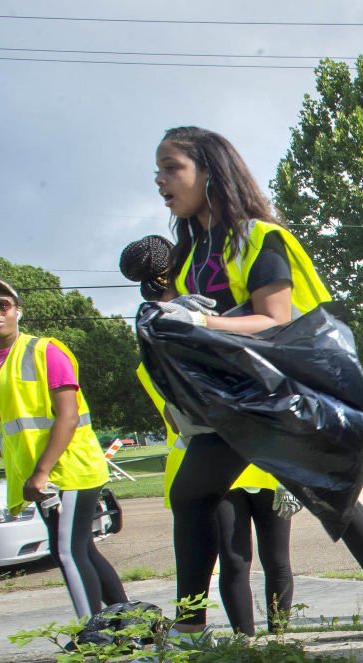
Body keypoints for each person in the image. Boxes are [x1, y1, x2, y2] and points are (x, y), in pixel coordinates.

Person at [150, 126, 363, 646]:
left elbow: (273, 321)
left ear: (209, 171)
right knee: (190, 494)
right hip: (230, 406)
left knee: (332, 498)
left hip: (282, 400)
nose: (160, 181)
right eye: (157, 171)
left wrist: (199, 324)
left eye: (171, 167)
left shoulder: (259, 238)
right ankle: (188, 629)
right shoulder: (188, 256)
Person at [122, 234, 294, 636]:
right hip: (214, 462)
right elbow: (177, 414)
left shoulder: (221, 319)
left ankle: (279, 640)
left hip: (262, 462)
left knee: (275, 560)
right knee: (235, 560)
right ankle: (243, 644)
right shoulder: (161, 340)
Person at [0, 274, 127, 624]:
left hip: (70, 471)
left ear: (18, 311)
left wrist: (42, 471)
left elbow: (68, 417)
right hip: (40, 480)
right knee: (81, 550)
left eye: (2, 304)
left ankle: (94, 636)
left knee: (67, 553)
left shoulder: (46, 351)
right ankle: (133, 624)